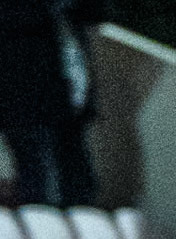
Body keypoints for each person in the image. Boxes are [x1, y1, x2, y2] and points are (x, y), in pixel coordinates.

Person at [0, 0, 104, 206]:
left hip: (63, 92)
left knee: (74, 169)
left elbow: (94, 12)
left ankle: (77, 223)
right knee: (35, 170)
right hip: (23, 88)